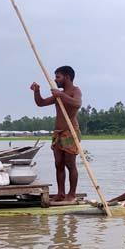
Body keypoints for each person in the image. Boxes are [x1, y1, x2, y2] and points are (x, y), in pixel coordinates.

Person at [30, 65, 82, 201]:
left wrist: (62, 95)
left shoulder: (75, 91)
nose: (55, 80)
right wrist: (37, 91)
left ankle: (71, 194)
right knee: (58, 163)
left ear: (67, 77)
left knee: (70, 164)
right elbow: (40, 103)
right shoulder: (58, 94)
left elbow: (77, 104)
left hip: (70, 132)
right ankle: (61, 193)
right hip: (58, 132)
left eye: (58, 77)